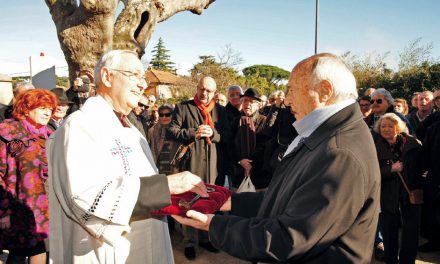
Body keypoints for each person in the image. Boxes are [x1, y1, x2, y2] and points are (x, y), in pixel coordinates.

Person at [174, 53, 381, 263]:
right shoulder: (325, 135)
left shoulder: (340, 153)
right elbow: (283, 200)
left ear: (325, 91)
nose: (287, 100)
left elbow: (288, 239)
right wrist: (224, 200)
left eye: (292, 89)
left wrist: (212, 225)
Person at [46, 50, 208, 264]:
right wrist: (164, 186)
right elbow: (85, 198)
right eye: (134, 75)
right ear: (106, 76)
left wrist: (177, 197)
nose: (142, 84)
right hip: (106, 251)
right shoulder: (79, 126)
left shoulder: (132, 132)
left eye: (143, 78)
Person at [168, 76, 231, 260]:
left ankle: (205, 238)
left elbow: (228, 135)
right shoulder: (183, 107)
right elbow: (172, 131)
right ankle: (189, 242)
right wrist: (192, 133)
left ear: (215, 92)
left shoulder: (221, 110)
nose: (205, 93)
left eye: (209, 91)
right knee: (190, 201)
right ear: (197, 88)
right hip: (191, 164)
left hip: (214, 166)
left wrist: (214, 134)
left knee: (210, 202)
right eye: (202, 89)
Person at [0, 89, 57, 264]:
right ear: (26, 108)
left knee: (41, 249)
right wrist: (3, 212)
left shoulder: (50, 136)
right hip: (17, 206)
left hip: (45, 208)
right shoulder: (9, 133)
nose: (48, 112)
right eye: (42, 108)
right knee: (17, 254)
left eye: (50, 109)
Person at [374, 113, 423, 264]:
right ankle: (390, 261)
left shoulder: (413, 143)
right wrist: (390, 169)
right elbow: (372, 172)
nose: (386, 129)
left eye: (390, 126)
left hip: (411, 192)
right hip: (388, 194)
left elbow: (423, 163)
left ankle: (407, 261)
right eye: (383, 126)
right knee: (389, 233)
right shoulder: (375, 147)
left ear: (398, 127)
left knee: (411, 232)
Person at [230, 88, 270, 189]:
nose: (247, 103)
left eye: (251, 101)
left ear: (258, 105)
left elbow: (265, 146)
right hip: (239, 173)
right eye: (245, 100)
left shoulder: (264, 121)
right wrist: (240, 161)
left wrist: (250, 163)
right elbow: (230, 145)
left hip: (259, 175)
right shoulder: (235, 121)